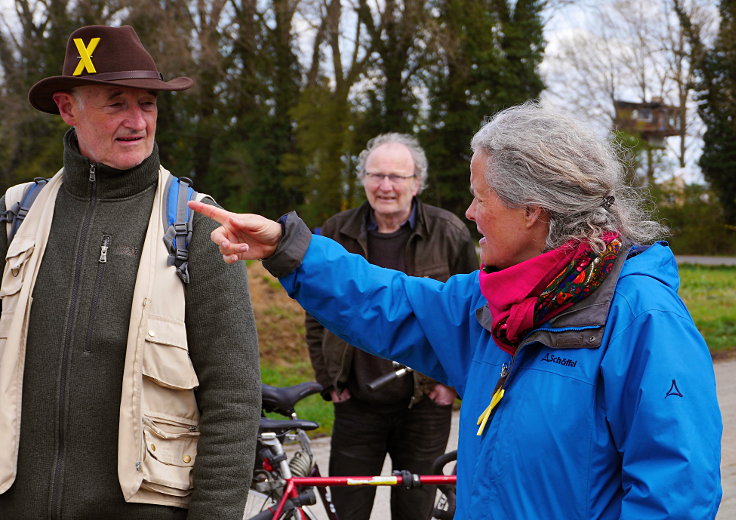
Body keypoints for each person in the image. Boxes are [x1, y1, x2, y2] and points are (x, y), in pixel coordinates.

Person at [191, 101, 723, 519]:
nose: (469, 213)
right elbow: (389, 300)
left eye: (481, 198)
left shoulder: (643, 318)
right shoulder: (497, 303)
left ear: (533, 209)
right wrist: (289, 247)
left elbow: (675, 493)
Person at [0, 25, 261, 519]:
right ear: (67, 108)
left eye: (148, 103)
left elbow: (233, 398)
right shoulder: (14, 217)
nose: (138, 121)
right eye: (116, 103)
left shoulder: (198, 227)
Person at [305, 133, 477, 519]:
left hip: (425, 405)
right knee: (346, 511)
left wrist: (450, 384)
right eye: (376, 175)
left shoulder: (449, 233)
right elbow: (315, 309)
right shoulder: (336, 233)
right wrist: (331, 383)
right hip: (356, 405)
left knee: (414, 512)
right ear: (363, 178)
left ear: (417, 182)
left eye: (397, 177)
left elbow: (473, 311)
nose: (385, 186)